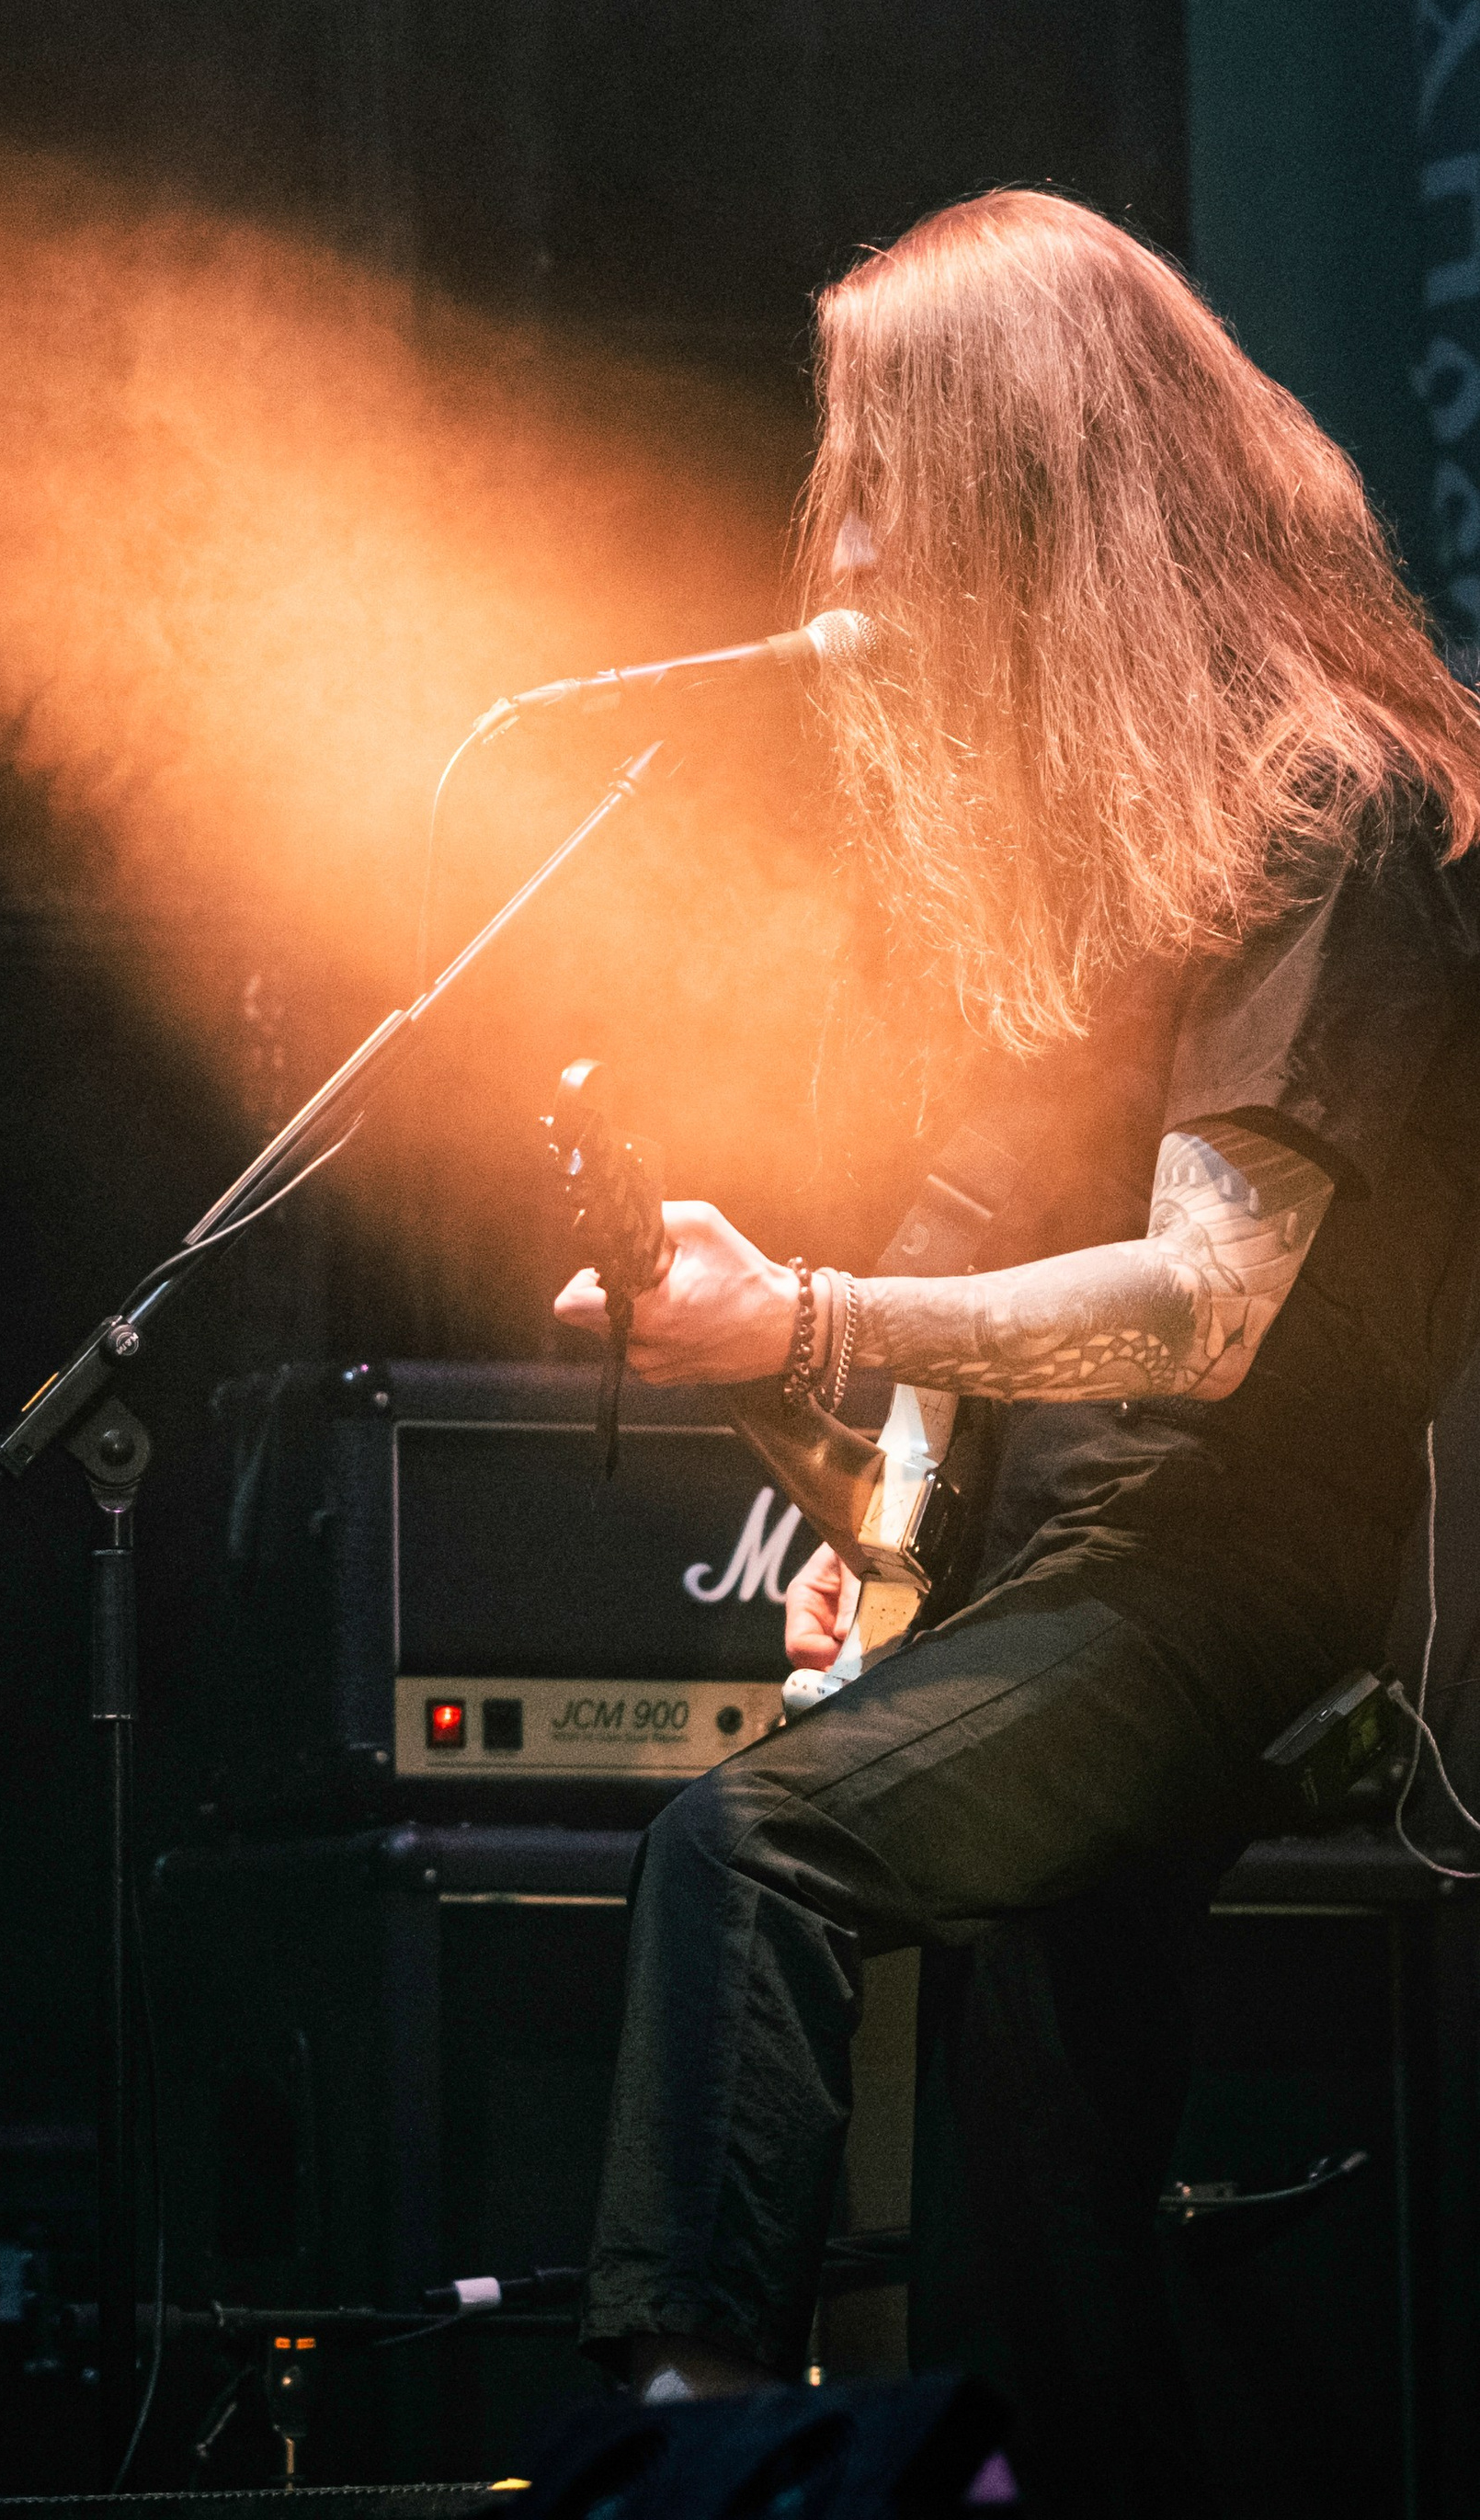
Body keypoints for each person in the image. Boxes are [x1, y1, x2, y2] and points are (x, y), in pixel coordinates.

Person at [553, 190, 1480, 2516]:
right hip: (1057, 1582)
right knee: (1046, 2235)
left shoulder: (1312, 801)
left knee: (742, 1856)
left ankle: (690, 2466)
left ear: (1022, 480)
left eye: (875, 468)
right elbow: (930, 1381)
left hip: (1215, 1577)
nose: (835, 528)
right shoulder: (1084, 870)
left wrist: (819, 1313)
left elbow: (1205, 1304)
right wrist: (803, 1431)